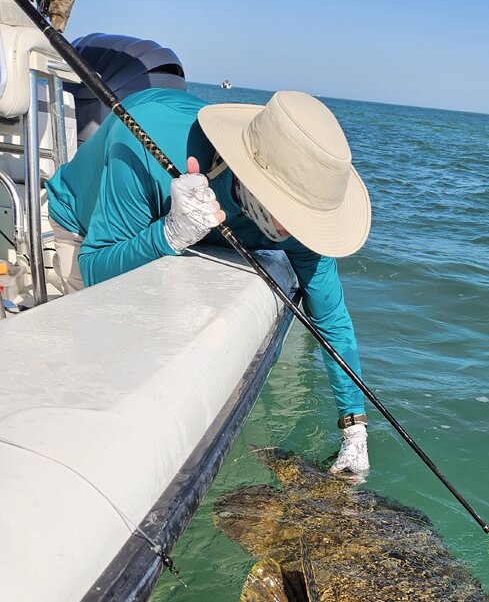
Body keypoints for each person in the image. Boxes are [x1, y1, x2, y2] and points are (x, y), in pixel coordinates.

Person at [45, 88, 372, 479]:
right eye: (292, 211)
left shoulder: (302, 230)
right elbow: (96, 269)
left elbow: (331, 320)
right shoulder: (145, 141)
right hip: (84, 227)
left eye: (309, 217)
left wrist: (354, 427)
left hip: (185, 235)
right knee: (99, 368)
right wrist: (168, 233)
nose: (299, 229)